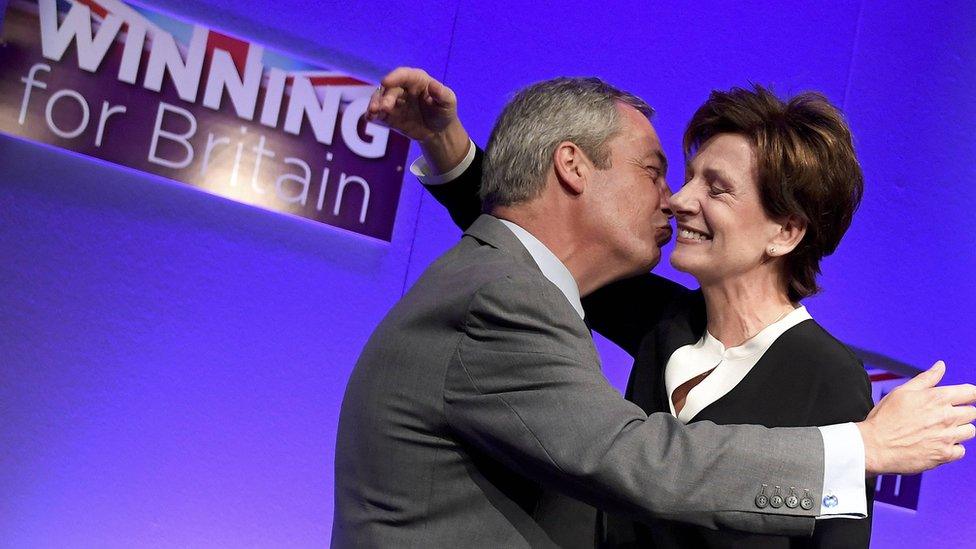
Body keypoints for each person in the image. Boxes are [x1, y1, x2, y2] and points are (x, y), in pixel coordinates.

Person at [331, 72, 976, 548]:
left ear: (784, 231)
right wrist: (452, 151)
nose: (678, 200)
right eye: (681, 174)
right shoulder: (661, 323)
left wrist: (859, 449)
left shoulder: (827, 376)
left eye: (715, 188)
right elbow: (537, 228)